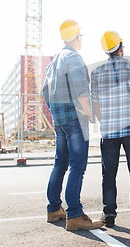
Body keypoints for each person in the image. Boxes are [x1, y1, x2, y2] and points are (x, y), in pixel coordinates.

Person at [42, 19, 103, 231]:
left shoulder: (54, 61)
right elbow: (80, 89)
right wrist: (89, 112)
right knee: (77, 166)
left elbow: (44, 91)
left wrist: (56, 112)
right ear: (77, 37)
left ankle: (54, 209)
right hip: (75, 120)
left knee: (60, 163)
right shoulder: (73, 58)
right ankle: (75, 215)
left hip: (60, 121)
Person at [90, 31, 130, 228]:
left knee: (108, 175)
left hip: (109, 132)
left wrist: (106, 123)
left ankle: (109, 215)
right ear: (120, 47)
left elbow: (95, 103)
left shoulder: (96, 72)